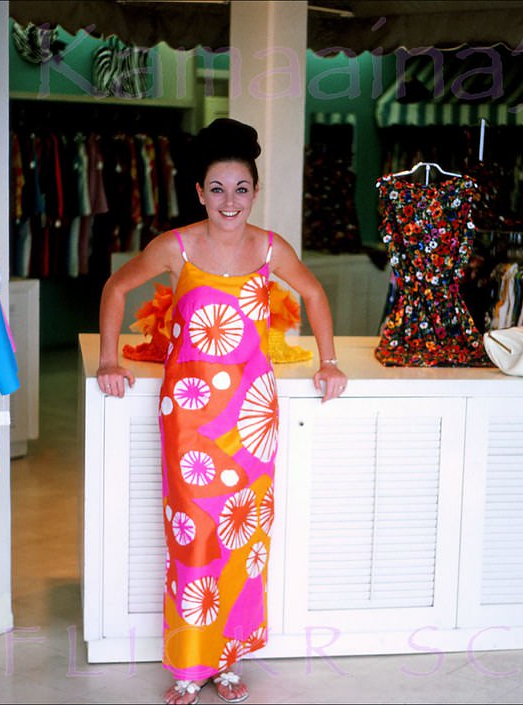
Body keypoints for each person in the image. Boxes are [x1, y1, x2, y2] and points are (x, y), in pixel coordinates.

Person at [95, 118, 347, 705]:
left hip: (253, 418)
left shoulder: (270, 247)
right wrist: (110, 359)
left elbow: (313, 294)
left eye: (240, 188)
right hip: (189, 418)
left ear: (254, 192)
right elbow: (115, 288)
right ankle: (190, 666)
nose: (228, 201)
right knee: (195, 539)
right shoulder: (176, 247)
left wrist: (328, 361)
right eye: (216, 188)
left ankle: (229, 658)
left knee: (245, 537)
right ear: (199, 193)